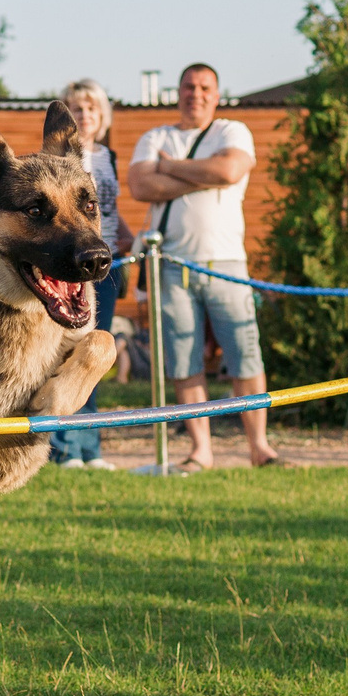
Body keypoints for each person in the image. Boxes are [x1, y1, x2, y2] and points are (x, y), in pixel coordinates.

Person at [128, 63, 285, 470]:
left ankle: (259, 447)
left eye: (204, 87)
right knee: (184, 359)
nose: (195, 94)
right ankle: (201, 450)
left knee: (245, 354)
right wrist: (204, 175)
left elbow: (229, 170)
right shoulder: (155, 137)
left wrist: (170, 167)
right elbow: (142, 185)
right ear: (177, 92)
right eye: (188, 86)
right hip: (171, 266)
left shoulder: (232, 131)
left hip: (227, 263)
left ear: (216, 95)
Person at [50, 79, 131, 469]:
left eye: (92, 109)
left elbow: (109, 210)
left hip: (106, 264)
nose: (85, 116)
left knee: (97, 356)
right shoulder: (64, 163)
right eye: (77, 109)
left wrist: (131, 237)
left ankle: (91, 449)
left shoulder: (108, 158)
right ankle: (65, 449)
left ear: (104, 116)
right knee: (70, 355)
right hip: (72, 264)